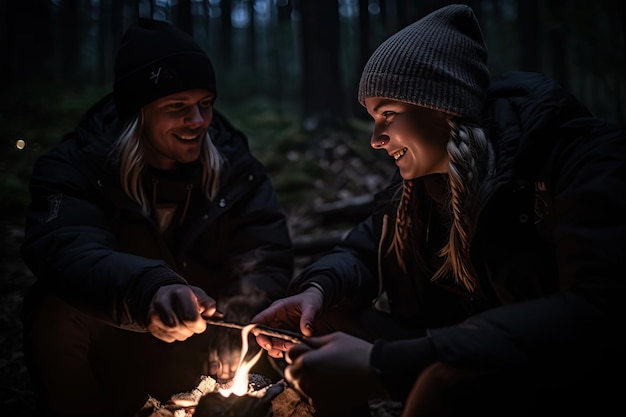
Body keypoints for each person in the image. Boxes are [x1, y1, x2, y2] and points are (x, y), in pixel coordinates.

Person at [252, 4, 626, 416]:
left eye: (388, 115)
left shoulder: (575, 159)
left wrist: (387, 365)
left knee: (443, 382)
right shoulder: (416, 190)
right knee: (306, 329)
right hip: (448, 343)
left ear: (442, 105)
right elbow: (363, 249)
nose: (376, 139)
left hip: (541, 364)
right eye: (373, 119)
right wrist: (315, 290)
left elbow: (595, 309)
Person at [20, 18, 293, 417]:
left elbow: (264, 251)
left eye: (205, 104)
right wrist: (148, 290)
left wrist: (237, 316)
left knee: (303, 316)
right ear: (139, 113)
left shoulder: (236, 167)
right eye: (177, 108)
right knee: (52, 308)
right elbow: (65, 250)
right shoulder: (79, 167)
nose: (198, 121)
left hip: (210, 350)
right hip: (120, 344)